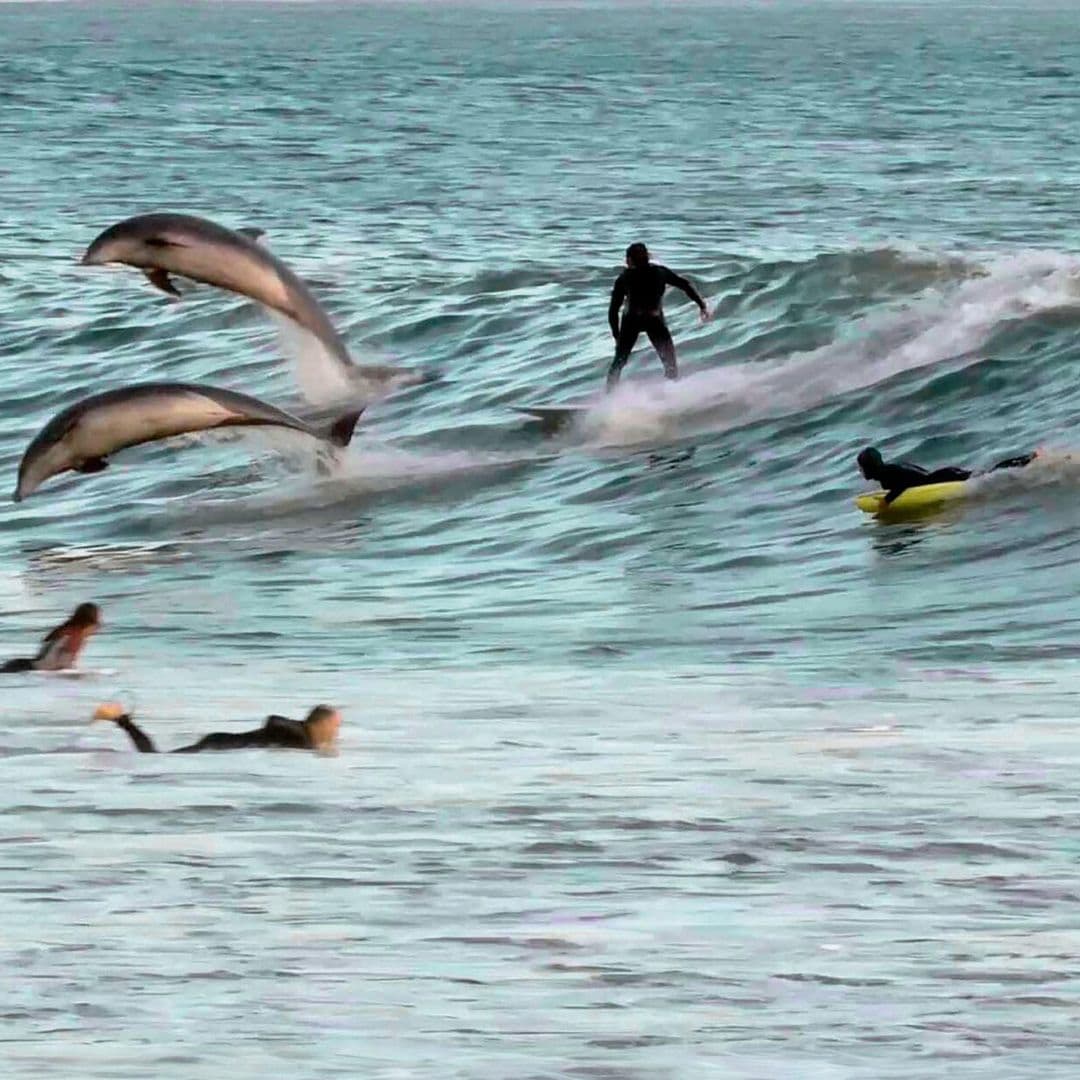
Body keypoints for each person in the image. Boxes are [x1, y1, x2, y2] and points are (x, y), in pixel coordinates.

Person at [607, 242, 709, 390]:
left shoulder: (624, 278)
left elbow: (613, 310)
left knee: (619, 362)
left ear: (629, 260)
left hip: (631, 321)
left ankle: (609, 398)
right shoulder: (660, 272)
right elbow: (685, 284)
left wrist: (617, 336)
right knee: (670, 364)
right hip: (654, 320)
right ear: (647, 257)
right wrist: (702, 305)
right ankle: (670, 394)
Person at [92, 702, 342, 754]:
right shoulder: (299, 735)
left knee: (155, 758)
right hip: (216, 746)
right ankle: (121, 720)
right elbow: (274, 721)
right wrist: (315, 748)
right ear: (321, 723)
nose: (337, 732)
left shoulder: (301, 736)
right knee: (153, 758)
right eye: (335, 725)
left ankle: (123, 720)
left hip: (218, 746)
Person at [857, 446, 1039, 505]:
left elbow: (901, 486)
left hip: (942, 479)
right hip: (942, 474)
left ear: (869, 467)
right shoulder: (891, 468)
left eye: (862, 467)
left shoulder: (886, 475)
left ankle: (1028, 460)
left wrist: (887, 502)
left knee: (989, 474)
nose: (861, 471)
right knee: (987, 473)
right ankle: (1028, 460)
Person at [1, 602, 101, 673]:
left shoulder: (64, 628)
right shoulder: (76, 634)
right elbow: (63, 664)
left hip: (22, 664)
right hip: (31, 669)